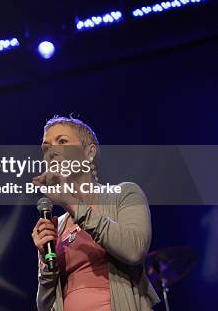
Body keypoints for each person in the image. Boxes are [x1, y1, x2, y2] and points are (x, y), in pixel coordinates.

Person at [31, 116, 160, 311]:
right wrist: (45, 261)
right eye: (46, 147)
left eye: (63, 141)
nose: (52, 151)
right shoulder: (56, 225)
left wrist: (72, 203)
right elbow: (44, 305)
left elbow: (134, 251)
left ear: (89, 152)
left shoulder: (124, 194)